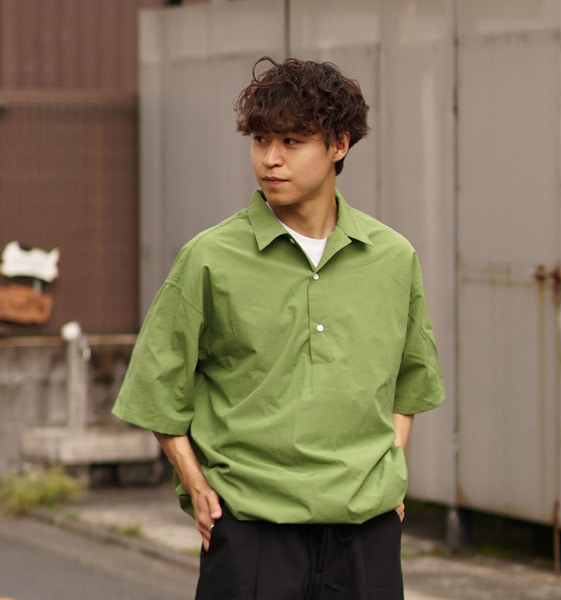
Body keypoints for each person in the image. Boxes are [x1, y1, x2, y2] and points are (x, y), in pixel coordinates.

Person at [112, 56, 445, 600]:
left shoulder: (392, 257)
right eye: (261, 140)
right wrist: (195, 485)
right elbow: (155, 390)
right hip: (252, 530)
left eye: (292, 141)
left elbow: (411, 382)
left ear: (339, 145)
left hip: (367, 534)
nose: (270, 159)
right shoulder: (209, 257)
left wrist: (390, 468)